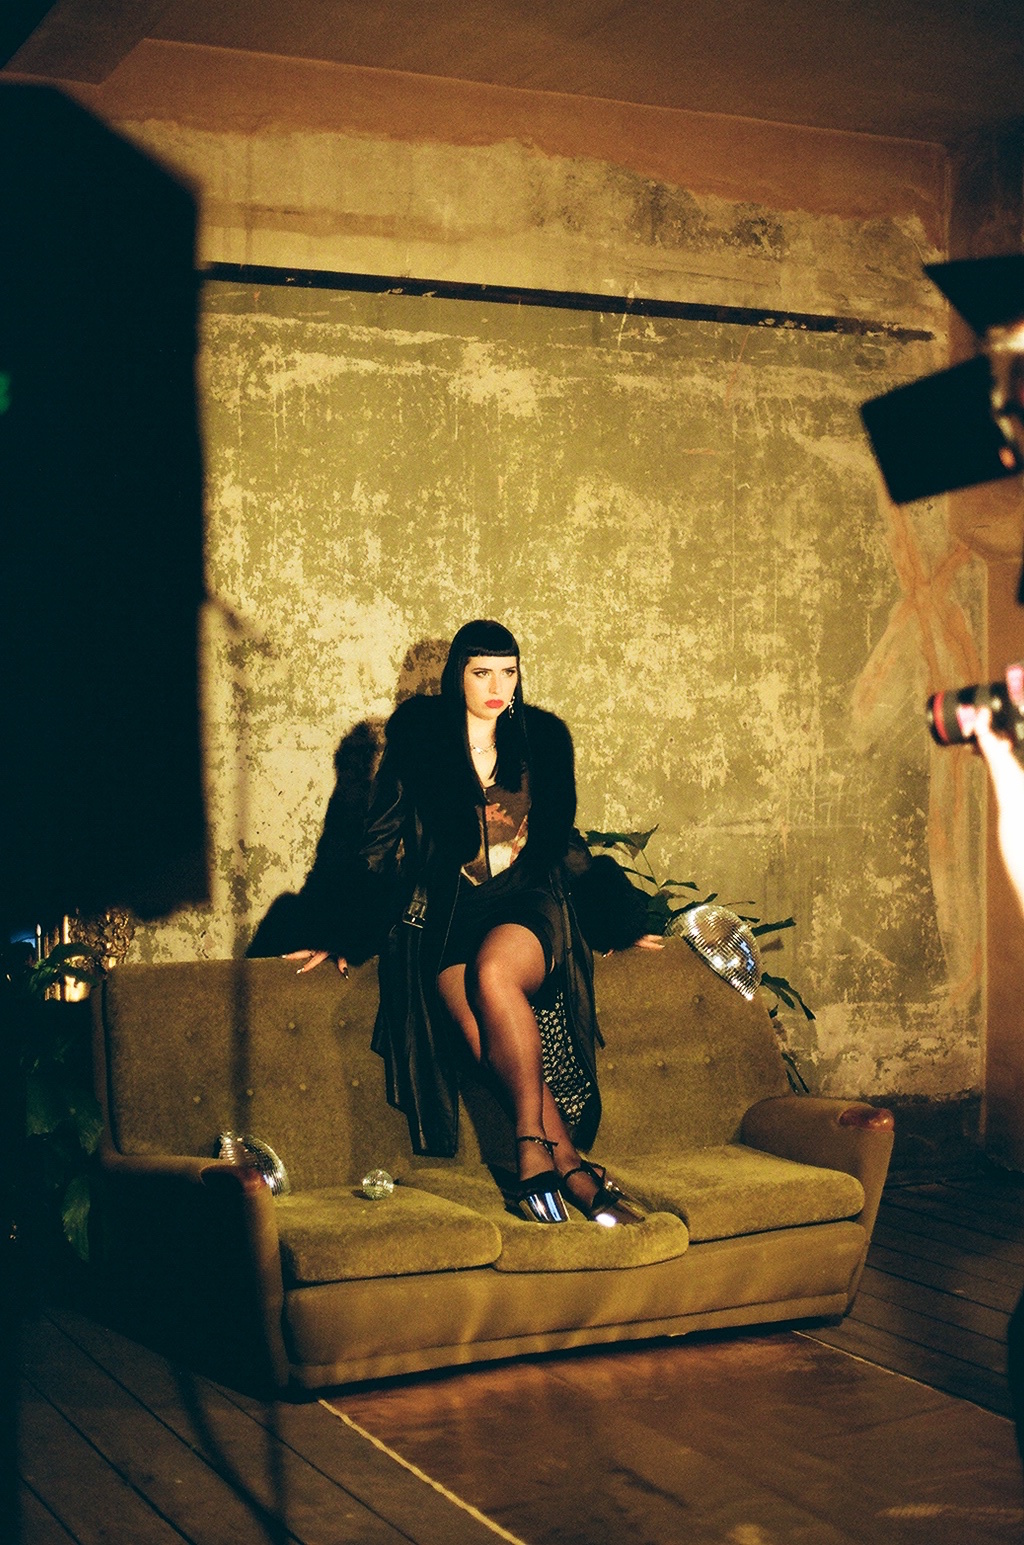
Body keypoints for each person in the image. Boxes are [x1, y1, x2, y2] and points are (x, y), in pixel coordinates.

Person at [286, 619, 663, 1226]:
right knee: (479, 1036)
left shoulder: (540, 741)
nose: (496, 687)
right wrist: (340, 930)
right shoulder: (420, 742)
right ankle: (570, 1163)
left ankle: (528, 1149)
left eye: (508, 672)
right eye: (481, 672)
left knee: (493, 975)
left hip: (526, 904)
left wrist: (615, 915)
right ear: (456, 675)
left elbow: (562, 841)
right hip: (448, 919)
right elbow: (378, 845)